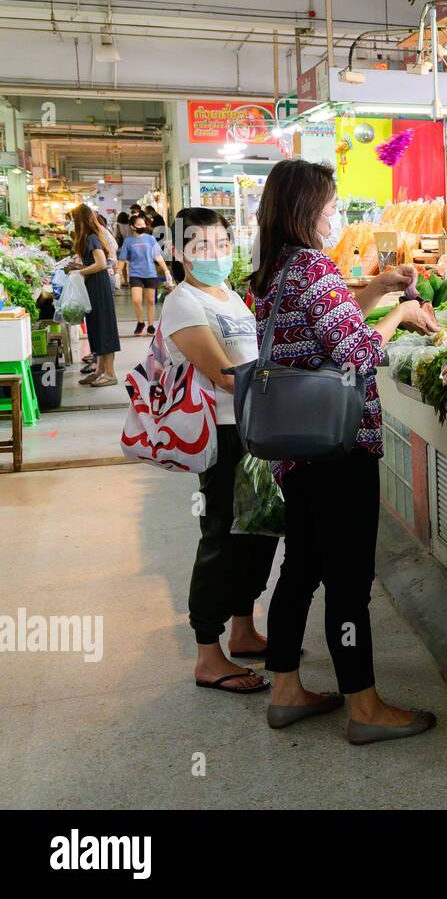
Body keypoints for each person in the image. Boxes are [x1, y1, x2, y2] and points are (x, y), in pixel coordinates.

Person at [250, 158, 439, 743]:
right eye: (331, 206)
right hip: (338, 448)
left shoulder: (276, 268)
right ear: (308, 210)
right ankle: (365, 706)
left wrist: (378, 287)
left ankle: (285, 691)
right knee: (350, 581)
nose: (336, 215)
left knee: (302, 569)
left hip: (296, 449)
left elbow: (321, 331)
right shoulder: (313, 266)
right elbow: (356, 352)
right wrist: (403, 312)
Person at [156, 208, 278, 694]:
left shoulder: (229, 295)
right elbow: (224, 373)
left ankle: (243, 629)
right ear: (178, 251)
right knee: (223, 536)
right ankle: (209, 652)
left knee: (258, 529)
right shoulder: (183, 303)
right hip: (224, 433)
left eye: (221, 243)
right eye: (199, 244)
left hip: (255, 427)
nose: (213, 253)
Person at [68, 204, 121, 387]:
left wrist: (79, 273)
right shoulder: (88, 238)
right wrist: (78, 268)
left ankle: (111, 374)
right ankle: (99, 370)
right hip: (93, 286)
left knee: (104, 327)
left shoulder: (92, 238)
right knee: (95, 327)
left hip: (99, 286)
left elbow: (100, 264)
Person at [118, 213, 173, 335]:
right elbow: (122, 259)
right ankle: (140, 322)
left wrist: (166, 271)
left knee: (150, 301)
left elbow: (157, 256)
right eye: (139, 224)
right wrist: (118, 274)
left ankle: (151, 325)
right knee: (136, 300)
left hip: (150, 273)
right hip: (135, 273)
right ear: (132, 227)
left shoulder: (150, 239)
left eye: (143, 224)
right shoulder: (128, 241)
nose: (142, 226)